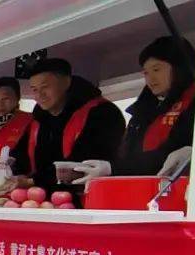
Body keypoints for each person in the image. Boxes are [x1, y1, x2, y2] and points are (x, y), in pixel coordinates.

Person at [73, 36, 195, 183]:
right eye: (146, 73)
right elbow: (126, 153)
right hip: (138, 187)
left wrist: (112, 169)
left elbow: (170, 153)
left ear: (179, 68)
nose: (151, 79)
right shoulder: (143, 110)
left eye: (156, 69)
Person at [11, 58, 125, 193]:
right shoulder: (39, 119)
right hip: (42, 200)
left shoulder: (102, 113)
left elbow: (83, 162)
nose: (40, 95)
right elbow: (21, 156)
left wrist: (33, 181)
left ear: (66, 82)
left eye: (45, 87)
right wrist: (7, 165)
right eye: (35, 90)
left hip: (88, 199)